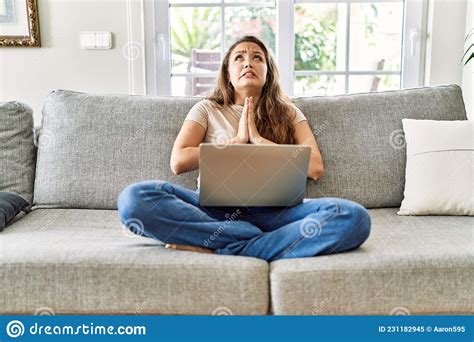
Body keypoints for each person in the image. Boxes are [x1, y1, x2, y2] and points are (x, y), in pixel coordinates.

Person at [117, 35, 371, 262]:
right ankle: (253, 239)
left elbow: (315, 168)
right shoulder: (206, 109)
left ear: (268, 72)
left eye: (257, 57)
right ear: (228, 73)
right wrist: (236, 142)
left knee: (353, 216)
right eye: (239, 57)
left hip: (277, 213)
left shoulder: (290, 113)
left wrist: (259, 141)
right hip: (212, 212)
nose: (248, 62)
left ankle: (227, 247)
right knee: (134, 199)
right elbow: (179, 161)